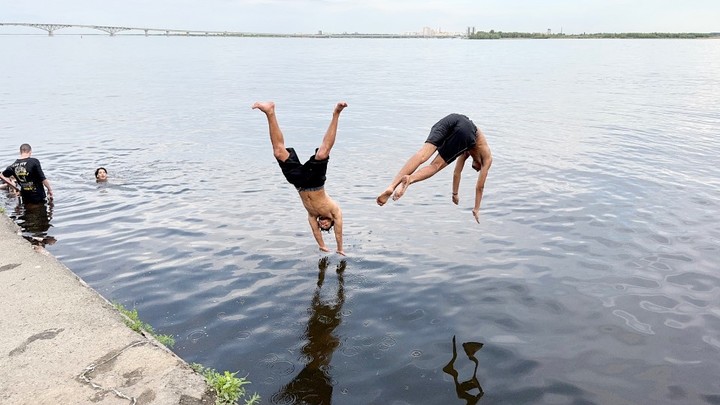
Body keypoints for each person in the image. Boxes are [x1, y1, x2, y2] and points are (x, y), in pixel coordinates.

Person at [253, 101, 347, 255]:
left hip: (298, 182)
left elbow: (316, 232)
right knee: (323, 152)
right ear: (331, 222)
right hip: (316, 182)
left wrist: (322, 245)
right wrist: (339, 248)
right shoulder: (334, 211)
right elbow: (338, 232)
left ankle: (269, 112)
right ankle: (336, 113)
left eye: (321, 225)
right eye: (326, 224)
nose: (322, 223)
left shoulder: (312, 215)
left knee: (278, 152)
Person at [376, 113, 492, 223]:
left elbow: (457, 172)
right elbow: (480, 187)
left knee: (422, 154)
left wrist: (455, 193)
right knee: (436, 165)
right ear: (480, 166)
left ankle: (391, 186)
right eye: (478, 170)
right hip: (468, 131)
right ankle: (410, 179)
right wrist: (476, 208)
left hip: (453, 118)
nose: (477, 170)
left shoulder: (467, 151)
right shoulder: (487, 159)